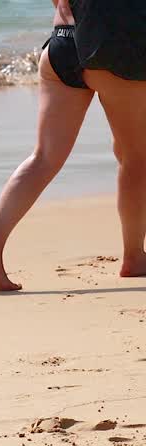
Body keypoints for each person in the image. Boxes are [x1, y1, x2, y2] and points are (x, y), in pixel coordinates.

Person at [0, 0, 94, 291]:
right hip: (106, 47)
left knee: (43, 157)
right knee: (133, 156)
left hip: (59, 43)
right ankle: (133, 255)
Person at [72, 0, 146, 280]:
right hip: (129, 47)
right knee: (136, 156)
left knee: (129, 148)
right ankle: (134, 255)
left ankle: (136, 247)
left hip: (90, 45)